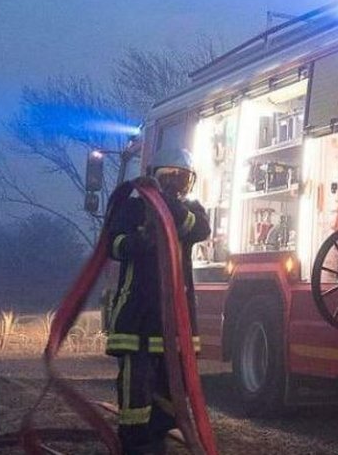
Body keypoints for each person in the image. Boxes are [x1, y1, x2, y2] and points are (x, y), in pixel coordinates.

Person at [105, 148, 210, 454]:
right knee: (136, 389)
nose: (175, 185)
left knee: (171, 387)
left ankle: (158, 437)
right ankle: (135, 444)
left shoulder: (190, 211)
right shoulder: (133, 209)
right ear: (154, 176)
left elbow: (199, 228)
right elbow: (114, 243)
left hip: (174, 322)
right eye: (169, 178)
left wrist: (169, 205)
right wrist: (139, 240)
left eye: (182, 179)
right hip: (137, 315)